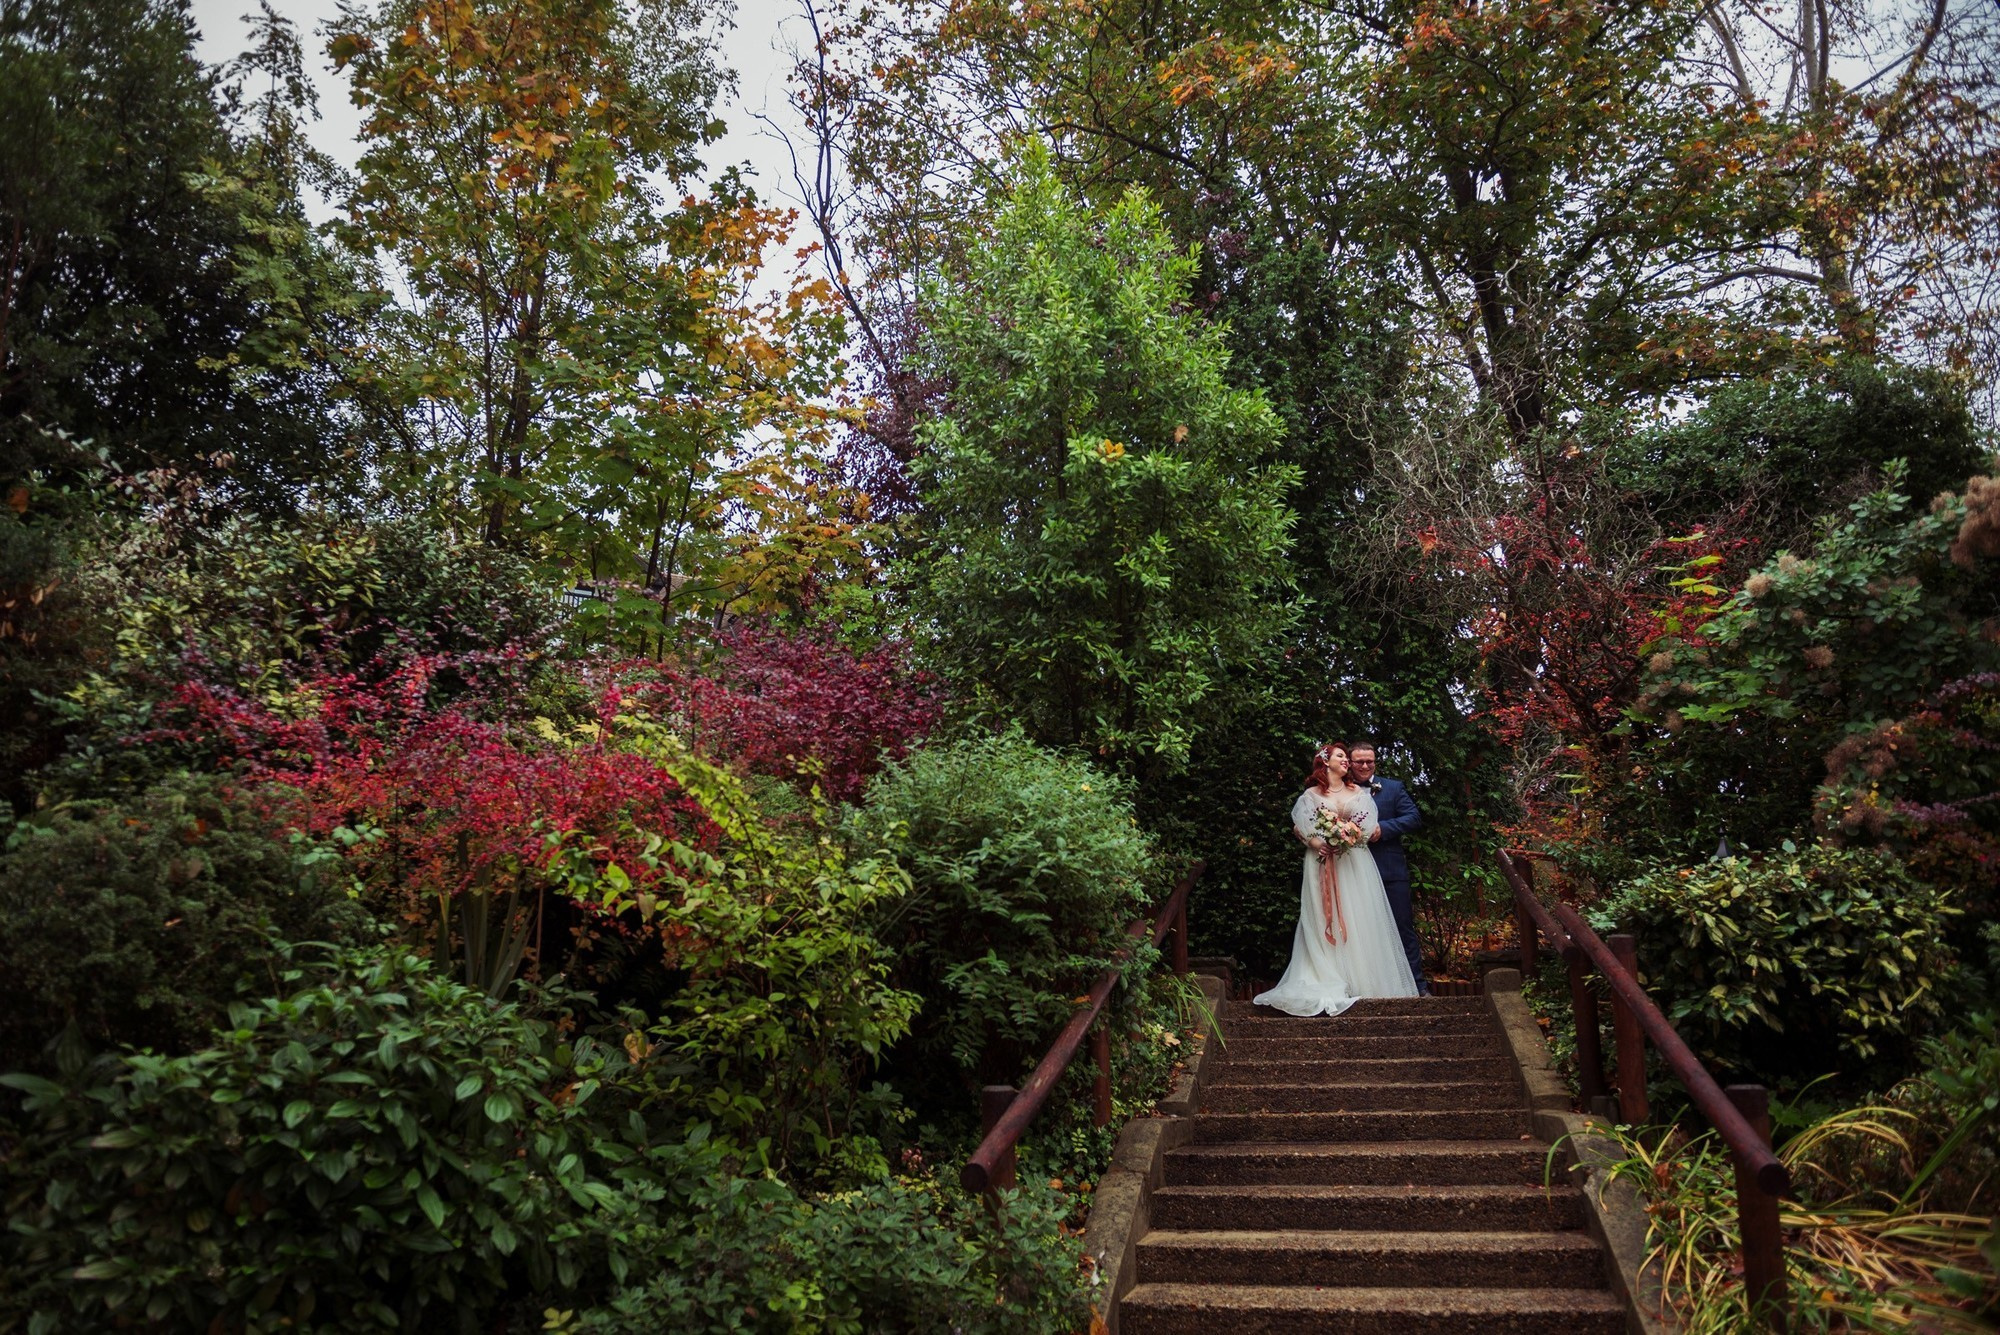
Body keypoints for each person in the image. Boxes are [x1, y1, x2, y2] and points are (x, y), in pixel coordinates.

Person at [1252, 742, 1418, 1016]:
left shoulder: (1357, 792)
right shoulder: (1310, 795)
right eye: (1342, 757)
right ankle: (1327, 974)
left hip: (1354, 862)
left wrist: (1349, 835)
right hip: (1321, 862)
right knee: (1321, 917)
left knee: (1360, 917)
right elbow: (1302, 826)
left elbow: (1366, 827)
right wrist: (1318, 842)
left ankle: (1363, 979)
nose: (1348, 763)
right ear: (1325, 761)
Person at [1347, 741, 1431, 996]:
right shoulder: (1342, 789)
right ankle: (1364, 989)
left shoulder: (1393, 788)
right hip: (1351, 872)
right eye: (1359, 761)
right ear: (1350, 763)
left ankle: (1418, 988)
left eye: (1369, 761)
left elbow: (1413, 817)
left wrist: (1384, 829)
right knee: (1358, 931)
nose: (1364, 765)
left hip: (1390, 871)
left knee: (1402, 927)